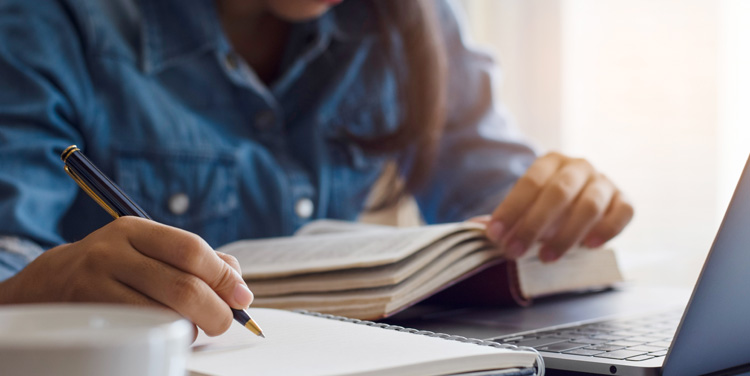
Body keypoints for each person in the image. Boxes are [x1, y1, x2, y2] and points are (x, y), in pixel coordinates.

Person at [0, 0, 633, 337]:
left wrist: (561, 202)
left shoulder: (407, 17)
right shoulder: (51, 20)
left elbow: (493, 193)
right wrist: (35, 289)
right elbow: (9, 252)